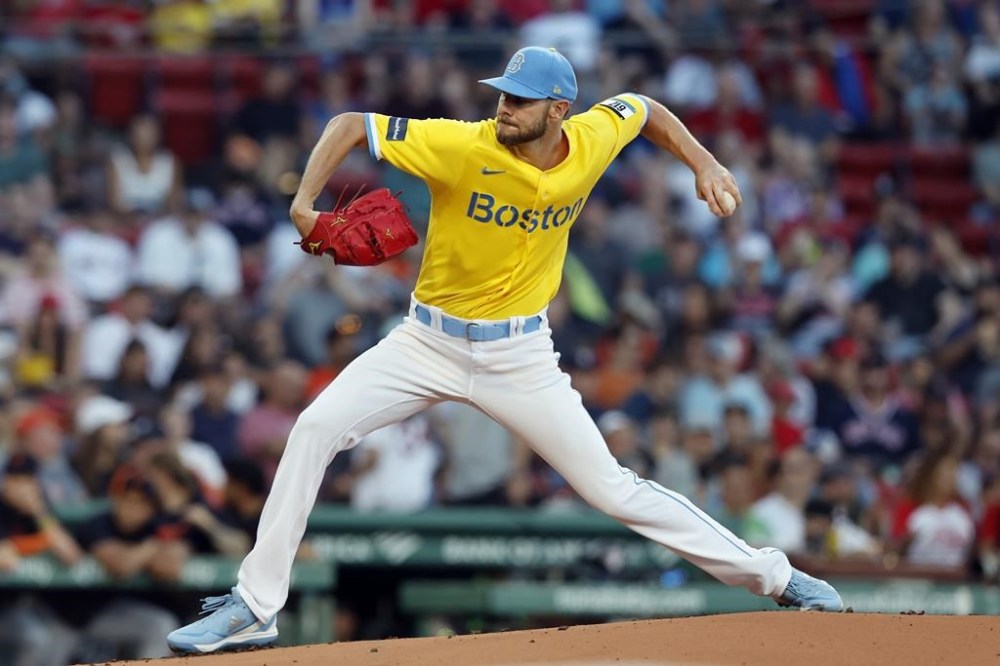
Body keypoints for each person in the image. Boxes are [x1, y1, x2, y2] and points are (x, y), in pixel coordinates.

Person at [167, 46, 843, 654]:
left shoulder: (592, 137)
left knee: (612, 490)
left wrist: (705, 161)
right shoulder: (463, 144)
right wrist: (305, 202)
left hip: (520, 357)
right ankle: (256, 605)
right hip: (425, 341)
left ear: (559, 109)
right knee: (312, 428)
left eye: (520, 98)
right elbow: (349, 123)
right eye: (502, 93)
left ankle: (776, 576)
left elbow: (645, 110)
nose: (504, 107)